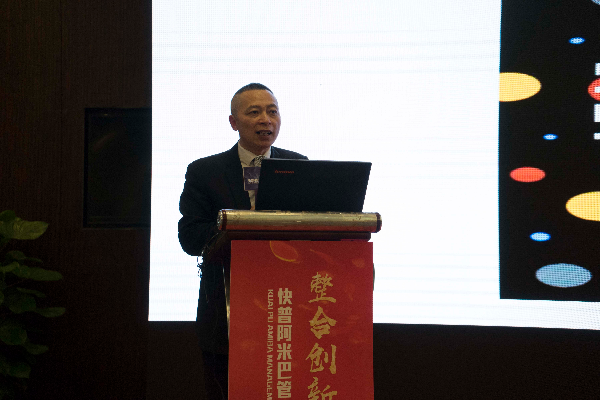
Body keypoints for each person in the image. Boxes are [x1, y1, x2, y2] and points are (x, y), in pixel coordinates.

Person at [178, 83, 308, 399]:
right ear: (233, 122)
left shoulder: (299, 165)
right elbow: (191, 237)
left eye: (272, 111)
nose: (266, 119)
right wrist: (238, 227)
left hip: (286, 304)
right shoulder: (205, 171)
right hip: (226, 308)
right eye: (254, 112)